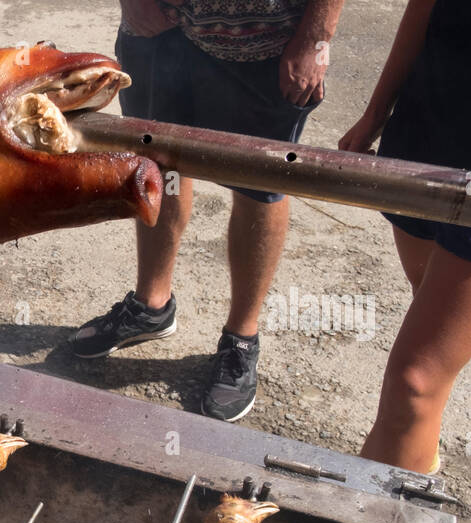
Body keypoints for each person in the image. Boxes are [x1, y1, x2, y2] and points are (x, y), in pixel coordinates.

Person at [72, 0, 344, 422]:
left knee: (259, 184)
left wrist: (315, 38)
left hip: (264, 45)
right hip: (158, 32)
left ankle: (242, 337)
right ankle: (151, 305)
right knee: (159, 166)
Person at [338, 0, 471, 475]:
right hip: (425, 140)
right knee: (425, 359)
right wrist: (376, 113)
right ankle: (416, 460)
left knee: (414, 383)